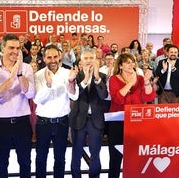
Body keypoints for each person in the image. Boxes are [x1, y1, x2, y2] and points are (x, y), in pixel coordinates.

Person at [0, 33, 35, 178]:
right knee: (1, 162)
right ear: (3, 48)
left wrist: (19, 74)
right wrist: (11, 77)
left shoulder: (26, 68)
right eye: (11, 48)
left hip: (22, 121)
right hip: (0, 123)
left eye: (17, 48)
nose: (15, 51)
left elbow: (30, 94)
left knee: (25, 161)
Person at [33, 44, 79, 178]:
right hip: (43, 123)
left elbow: (74, 96)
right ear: (44, 58)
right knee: (41, 158)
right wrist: (48, 85)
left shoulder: (67, 73)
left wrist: (71, 81)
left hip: (62, 123)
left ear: (60, 57)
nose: (52, 60)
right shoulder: (38, 75)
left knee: (60, 158)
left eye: (55, 57)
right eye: (49, 57)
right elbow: (36, 100)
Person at [108, 53, 156, 178]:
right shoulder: (113, 79)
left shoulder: (140, 79)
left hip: (136, 122)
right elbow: (118, 99)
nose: (131, 64)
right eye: (127, 62)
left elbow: (149, 96)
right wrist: (130, 83)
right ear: (120, 65)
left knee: (135, 157)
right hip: (117, 122)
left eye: (132, 62)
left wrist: (146, 81)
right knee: (115, 157)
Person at [69, 49, 108, 178]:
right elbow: (75, 96)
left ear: (96, 59)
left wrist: (96, 77)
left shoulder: (102, 76)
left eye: (91, 58)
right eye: (86, 58)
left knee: (95, 153)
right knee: (76, 153)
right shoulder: (75, 75)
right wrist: (85, 79)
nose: (89, 61)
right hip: (79, 119)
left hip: (95, 120)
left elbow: (104, 95)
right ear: (81, 61)